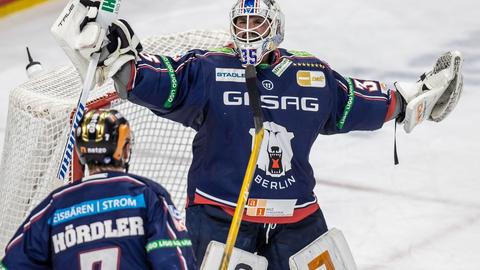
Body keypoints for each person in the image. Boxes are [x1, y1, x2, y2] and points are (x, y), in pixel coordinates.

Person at [51, 0, 463, 269]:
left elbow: (358, 101)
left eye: (256, 21)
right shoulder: (209, 70)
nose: (248, 30)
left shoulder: (312, 75)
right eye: (241, 22)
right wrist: (117, 58)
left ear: (276, 27)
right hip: (221, 216)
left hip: (297, 219)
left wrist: (413, 100)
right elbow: (156, 80)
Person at [0, 109, 197, 270]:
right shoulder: (147, 196)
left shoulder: (55, 206)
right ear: (125, 149)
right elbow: (174, 261)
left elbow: (11, 265)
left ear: (81, 151)